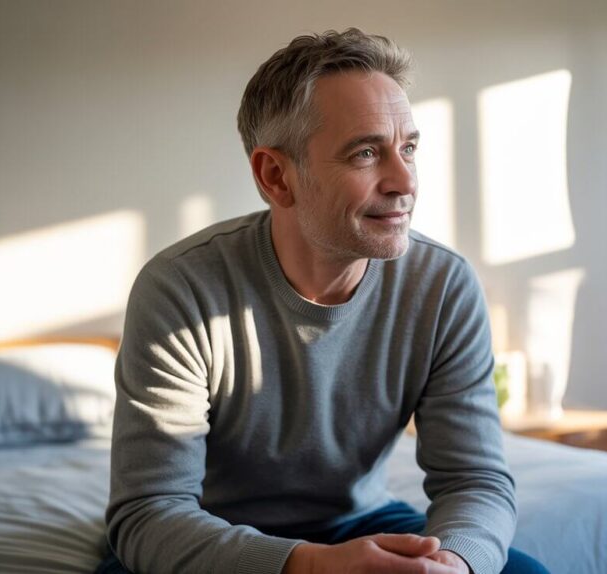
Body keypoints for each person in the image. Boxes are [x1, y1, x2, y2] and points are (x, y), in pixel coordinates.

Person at [99, 28, 550, 574]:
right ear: (276, 176)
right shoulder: (181, 289)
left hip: (360, 523)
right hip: (208, 533)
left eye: (408, 147)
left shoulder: (443, 286)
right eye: (366, 153)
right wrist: (309, 567)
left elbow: (474, 479)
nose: (405, 181)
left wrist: (455, 563)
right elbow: (149, 513)